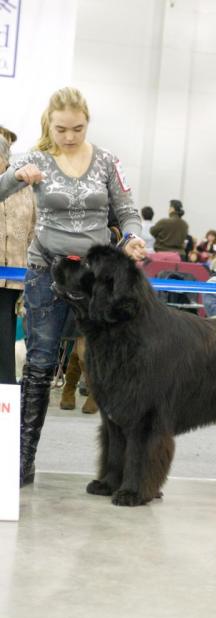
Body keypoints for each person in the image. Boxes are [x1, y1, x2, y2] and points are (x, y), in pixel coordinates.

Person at [0, 86, 146, 486]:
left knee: (112, 369)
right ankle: (21, 461)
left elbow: (128, 212)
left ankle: (123, 470)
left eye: (78, 128)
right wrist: (14, 176)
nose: (69, 136)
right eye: (62, 129)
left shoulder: (106, 161)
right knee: (41, 363)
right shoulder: (35, 158)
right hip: (46, 270)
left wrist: (133, 238)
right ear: (50, 123)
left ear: (87, 123)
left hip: (99, 279)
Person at [0, 134, 37, 384]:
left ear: (5, 159)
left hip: (14, 276)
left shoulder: (25, 189)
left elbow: (34, 229)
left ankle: (5, 394)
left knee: (5, 337)